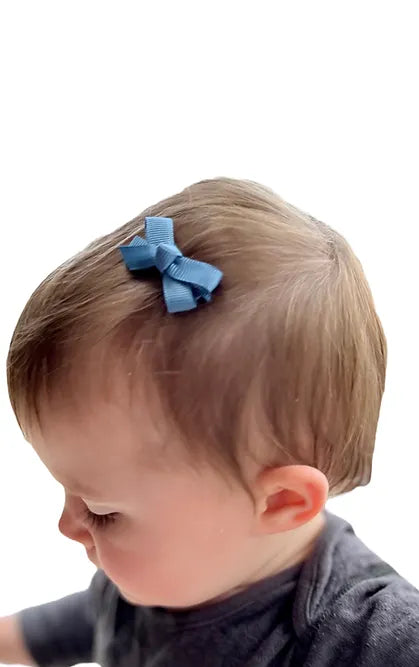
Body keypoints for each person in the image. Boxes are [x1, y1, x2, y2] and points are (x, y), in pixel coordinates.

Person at [1, 178, 418, 666]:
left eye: (103, 513)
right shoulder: (154, 581)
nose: (67, 525)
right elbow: (81, 623)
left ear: (281, 501)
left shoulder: (367, 635)